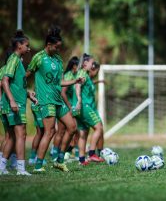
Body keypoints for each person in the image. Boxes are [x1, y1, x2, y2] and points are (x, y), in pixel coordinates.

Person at [26, 26, 82, 172]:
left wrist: (75, 81)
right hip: (46, 99)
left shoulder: (57, 59)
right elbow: (25, 76)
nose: (58, 50)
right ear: (49, 45)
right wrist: (27, 91)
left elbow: (59, 82)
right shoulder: (38, 57)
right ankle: (38, 166)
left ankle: (60, 160)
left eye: (59, 47)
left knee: (72, 127)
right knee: (49, 131)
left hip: (58, 99)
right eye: (56, 47)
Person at [0, 30, 37, 175]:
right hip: (14, 105)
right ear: (19, 45)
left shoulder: (18, 62)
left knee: (11, 136)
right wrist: (12, 101)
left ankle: (2, 168)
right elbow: (4, 81)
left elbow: (16, 85)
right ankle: (21, 169)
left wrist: (28, 94)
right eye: (26, 45)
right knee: (21, 134)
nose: (28, 48)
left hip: (15, 103)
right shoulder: (14, 59)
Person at [74, 54, 104, 165]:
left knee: (83, 133)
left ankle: (81, 160)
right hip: (84, 106)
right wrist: (79, 99)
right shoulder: (82, 73)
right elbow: (77, 86)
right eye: (92, 63)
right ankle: (92, 154)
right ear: (85, 63)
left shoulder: (84, 74)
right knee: (99, 128)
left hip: (79, 107)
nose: (93, 66)